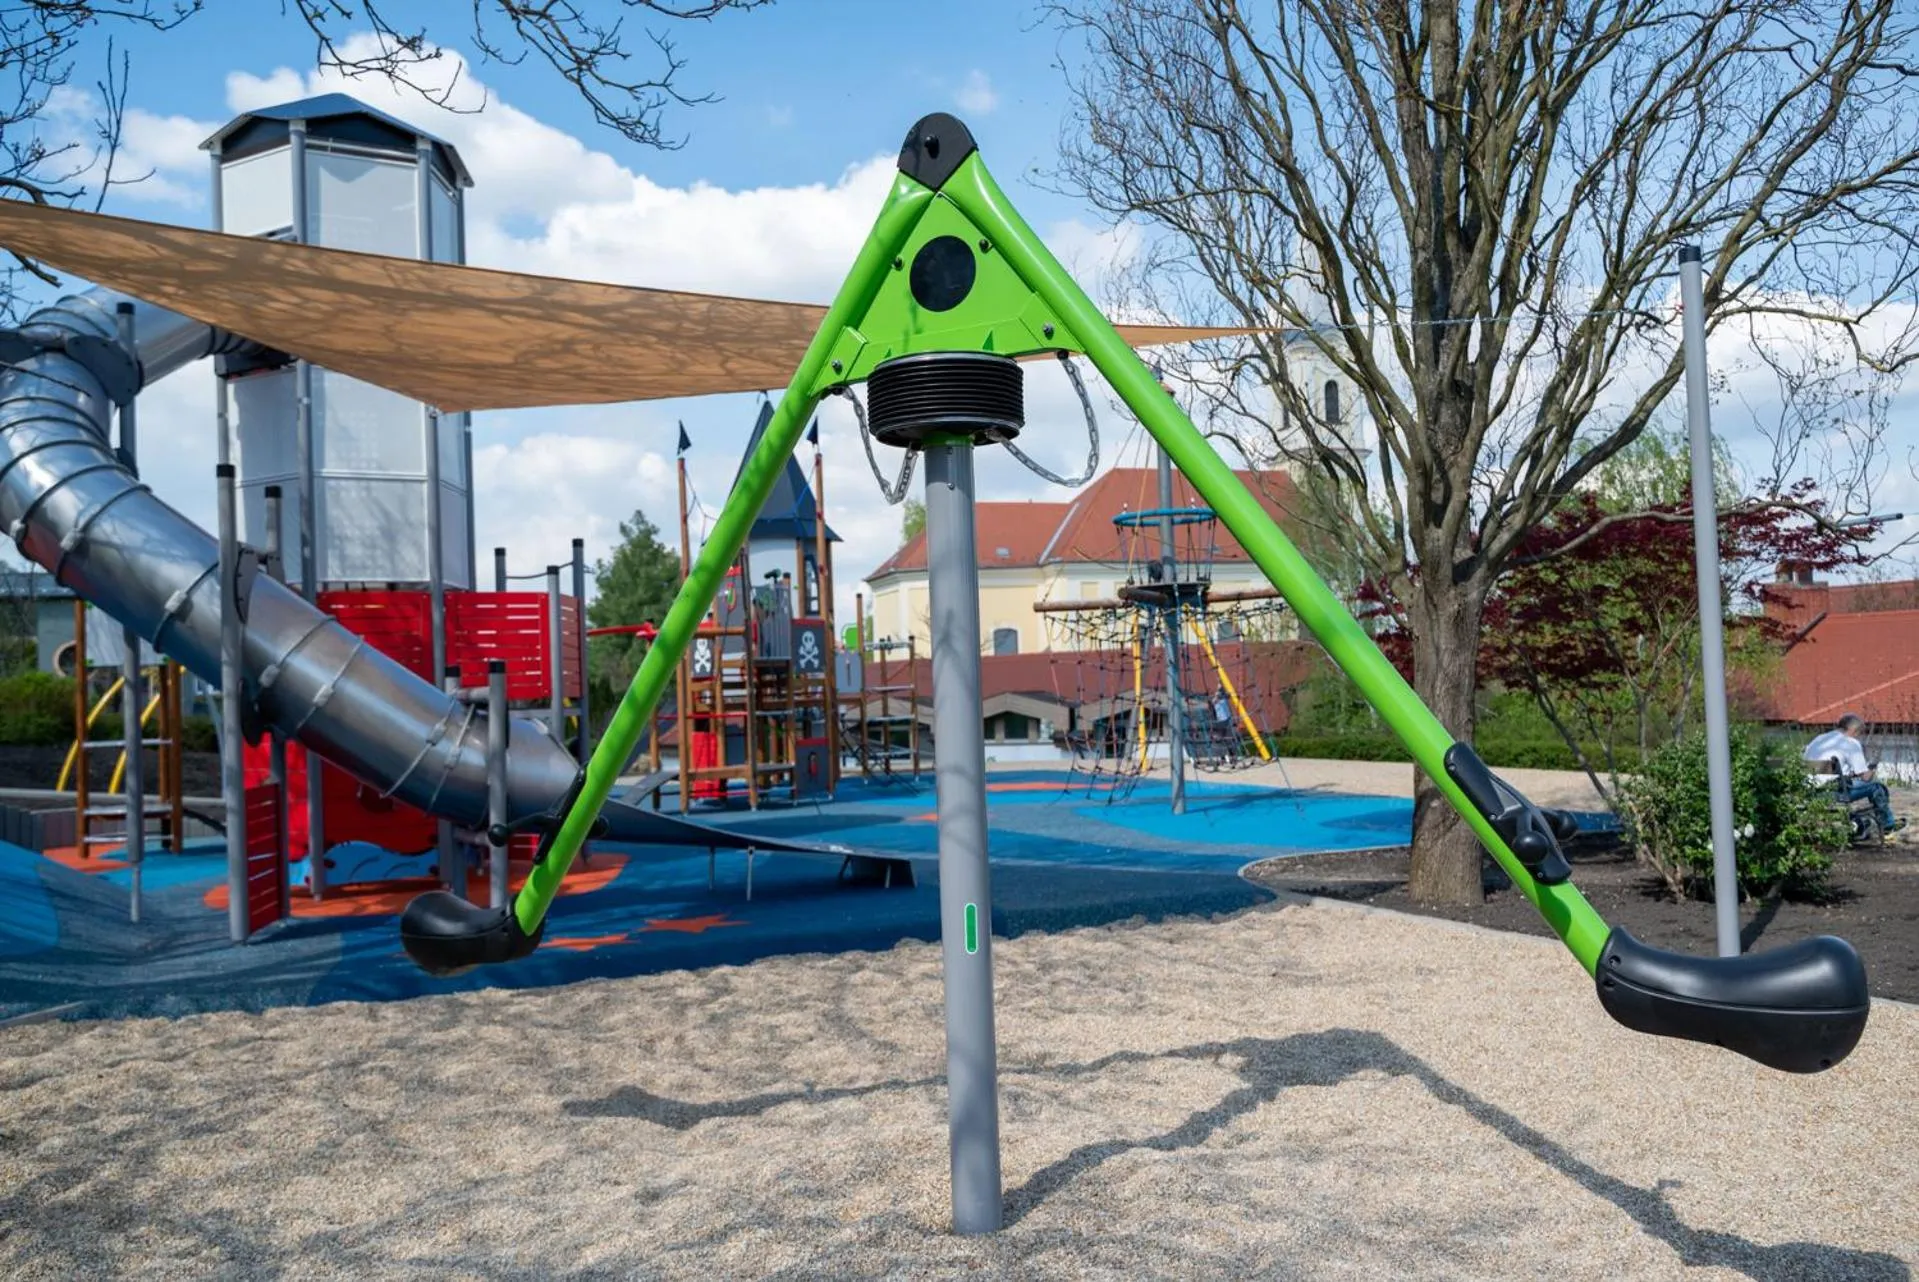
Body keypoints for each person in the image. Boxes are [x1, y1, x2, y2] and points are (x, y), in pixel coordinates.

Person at [1804, 713, 1904, 834]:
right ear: (1854, 730)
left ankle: (1859, 825)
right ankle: (1888, 825)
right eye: (1859, 733)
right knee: (1877, 787)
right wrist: (1873, 769)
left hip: (1808, 792)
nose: (1858, 737)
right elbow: (1865, 777)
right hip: (1831, 794)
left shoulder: (1819, 738)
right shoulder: (1849, 742)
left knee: (1848, 783)